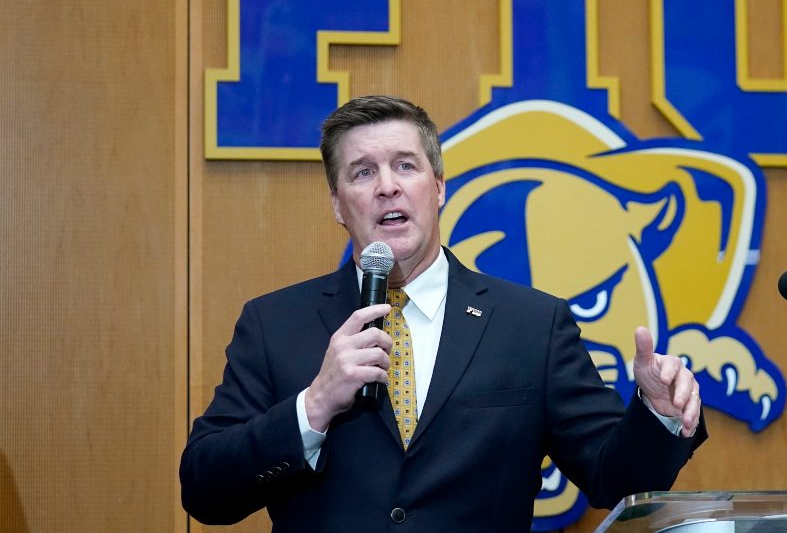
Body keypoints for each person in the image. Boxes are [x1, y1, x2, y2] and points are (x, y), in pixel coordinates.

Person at [180, 95, 706, 532]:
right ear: (339, 205)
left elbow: (615, 480)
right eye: (363, 172)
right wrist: (314, 406)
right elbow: (204, 489)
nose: (387, 185)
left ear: (438, 189)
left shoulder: (531, 326)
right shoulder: (276, 324)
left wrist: (657, 414)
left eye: (405, 166)